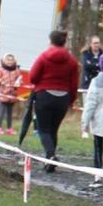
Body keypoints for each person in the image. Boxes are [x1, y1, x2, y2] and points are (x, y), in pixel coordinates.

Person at [26, 28, 82, 172]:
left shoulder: (43, 57)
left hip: (44, 95)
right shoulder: (72, 61)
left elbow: (33, 77)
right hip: (62, 98)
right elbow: (74, 84)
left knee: (43, 129)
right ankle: (49, 160)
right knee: (53, 129)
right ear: (64, 42)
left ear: (50, 41)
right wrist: (71, 100)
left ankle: (50, 156)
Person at [0, 53, 23, 132]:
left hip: (12, 94)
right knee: (2, 111)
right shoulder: (0, 69)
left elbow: (19, 80)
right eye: (8, 60)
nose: (10, 61)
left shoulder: (16, 70)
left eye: (11, 60)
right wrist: (1, 81)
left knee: (10, 112)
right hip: (3, 93)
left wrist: (19, 83)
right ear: (4, 60)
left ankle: (9, 128)